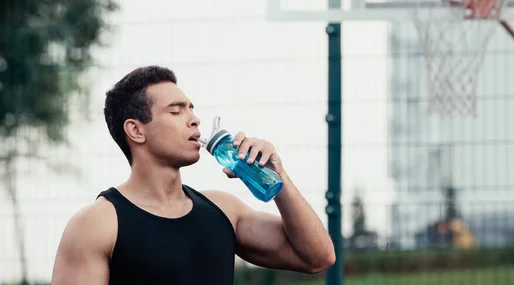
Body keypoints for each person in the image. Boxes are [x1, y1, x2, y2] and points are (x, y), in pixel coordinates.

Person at [50, 66, 335, 285]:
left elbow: (318, 257)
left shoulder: (224, 210)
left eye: (191, 108)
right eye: (176, 111)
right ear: (136, 130)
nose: (194, 119)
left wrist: (277, 176)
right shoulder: (96, 225)